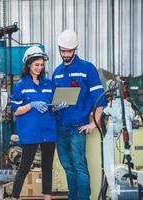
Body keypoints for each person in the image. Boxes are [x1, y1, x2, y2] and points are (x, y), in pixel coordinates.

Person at [52, 29, 106, 200]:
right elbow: (52, 100)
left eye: (69, 51)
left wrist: (93, 123)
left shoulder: (87, 69)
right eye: (62, 51)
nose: (65, 54)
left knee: (79, 166)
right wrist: (54, 107)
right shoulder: (57, 72)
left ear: (76, 49)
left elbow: (100, 100)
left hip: (78, 127)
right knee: (67, 166)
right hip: (60, 127)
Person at [10, 46, 66, 200]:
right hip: (30, 133)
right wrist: (31, 105)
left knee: (47, 167)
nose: (39, 68)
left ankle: (47, 197)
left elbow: (52, 106)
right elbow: (16, 110)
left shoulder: (48, 84)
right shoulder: (21, 85)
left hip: (48, 130)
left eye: (41, 65)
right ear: (28, 64)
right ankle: (14, 197)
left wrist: (57, 107)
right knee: (24, 167)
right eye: (36, 65)